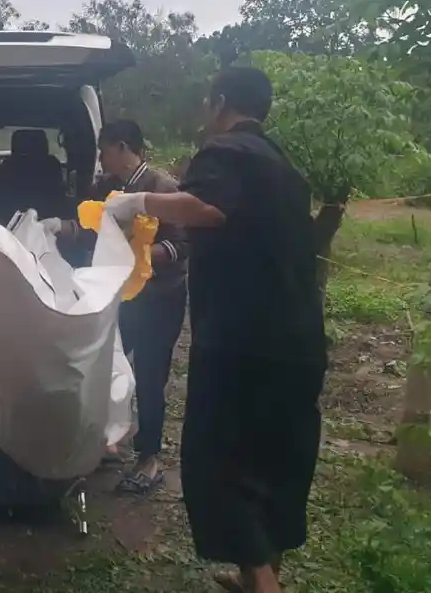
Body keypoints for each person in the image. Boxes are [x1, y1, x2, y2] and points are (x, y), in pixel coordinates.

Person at [101, 67, 326, 593]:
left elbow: (206, 208)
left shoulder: (226, 153)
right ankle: (262, 575)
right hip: (298, 341)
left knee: (222, 466)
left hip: (243, 344)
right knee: (276, 464)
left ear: (220, 101)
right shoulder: (284, 166)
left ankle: (260, 581)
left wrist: (136, 203)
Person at [87, 119, 188, 495]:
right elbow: (89, 227)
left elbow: (183, 245)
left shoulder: (163, 189)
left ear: (124, 147)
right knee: (106, 365)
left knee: (149, 376)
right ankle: (107, 439)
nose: (100, 157)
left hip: (159, 298)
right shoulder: (105, 188)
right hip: (118, 296)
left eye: (104, 149)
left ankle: (149, 458)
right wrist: (57, 228)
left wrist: (145, 255)